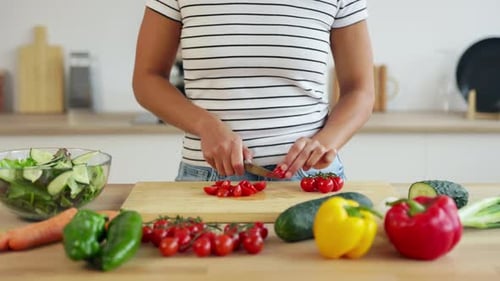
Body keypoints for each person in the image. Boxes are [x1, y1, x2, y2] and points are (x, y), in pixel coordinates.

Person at [132, 0, 375, 182]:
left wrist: (326, 142)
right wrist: (206, 126)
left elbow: (360, 90)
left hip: (309, 178)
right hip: (208, 177)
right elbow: (147, 78)